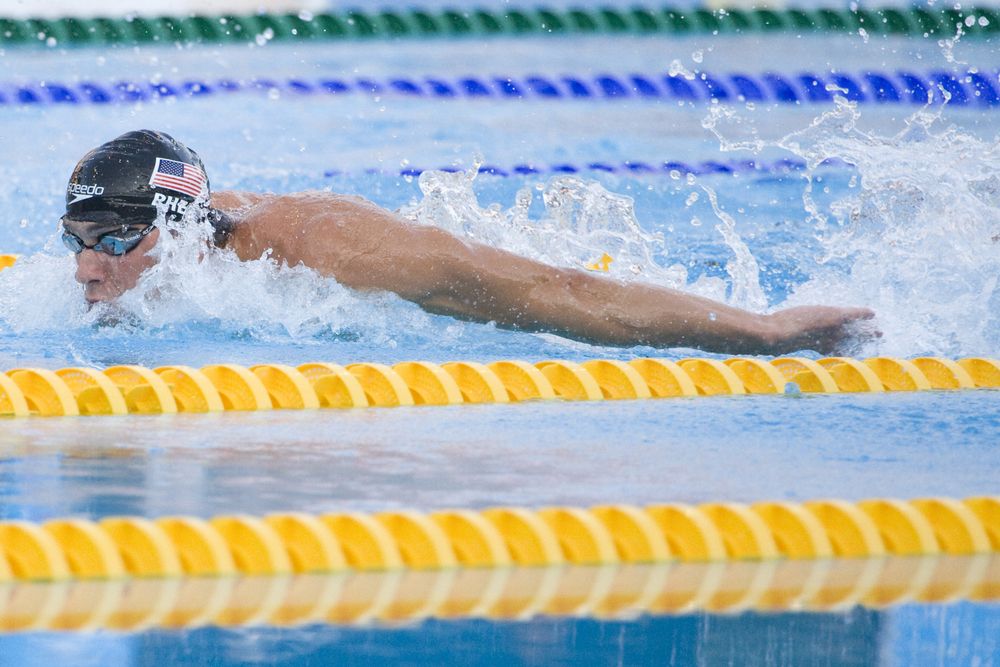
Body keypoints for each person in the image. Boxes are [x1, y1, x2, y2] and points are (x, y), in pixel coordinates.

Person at [62, 130, 874, 354]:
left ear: (179, 231)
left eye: (113, 240)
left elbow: (563, 295)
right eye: (75, 240)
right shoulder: (157, 262)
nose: (86, 269)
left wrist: (764, 332)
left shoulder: (331, 251)